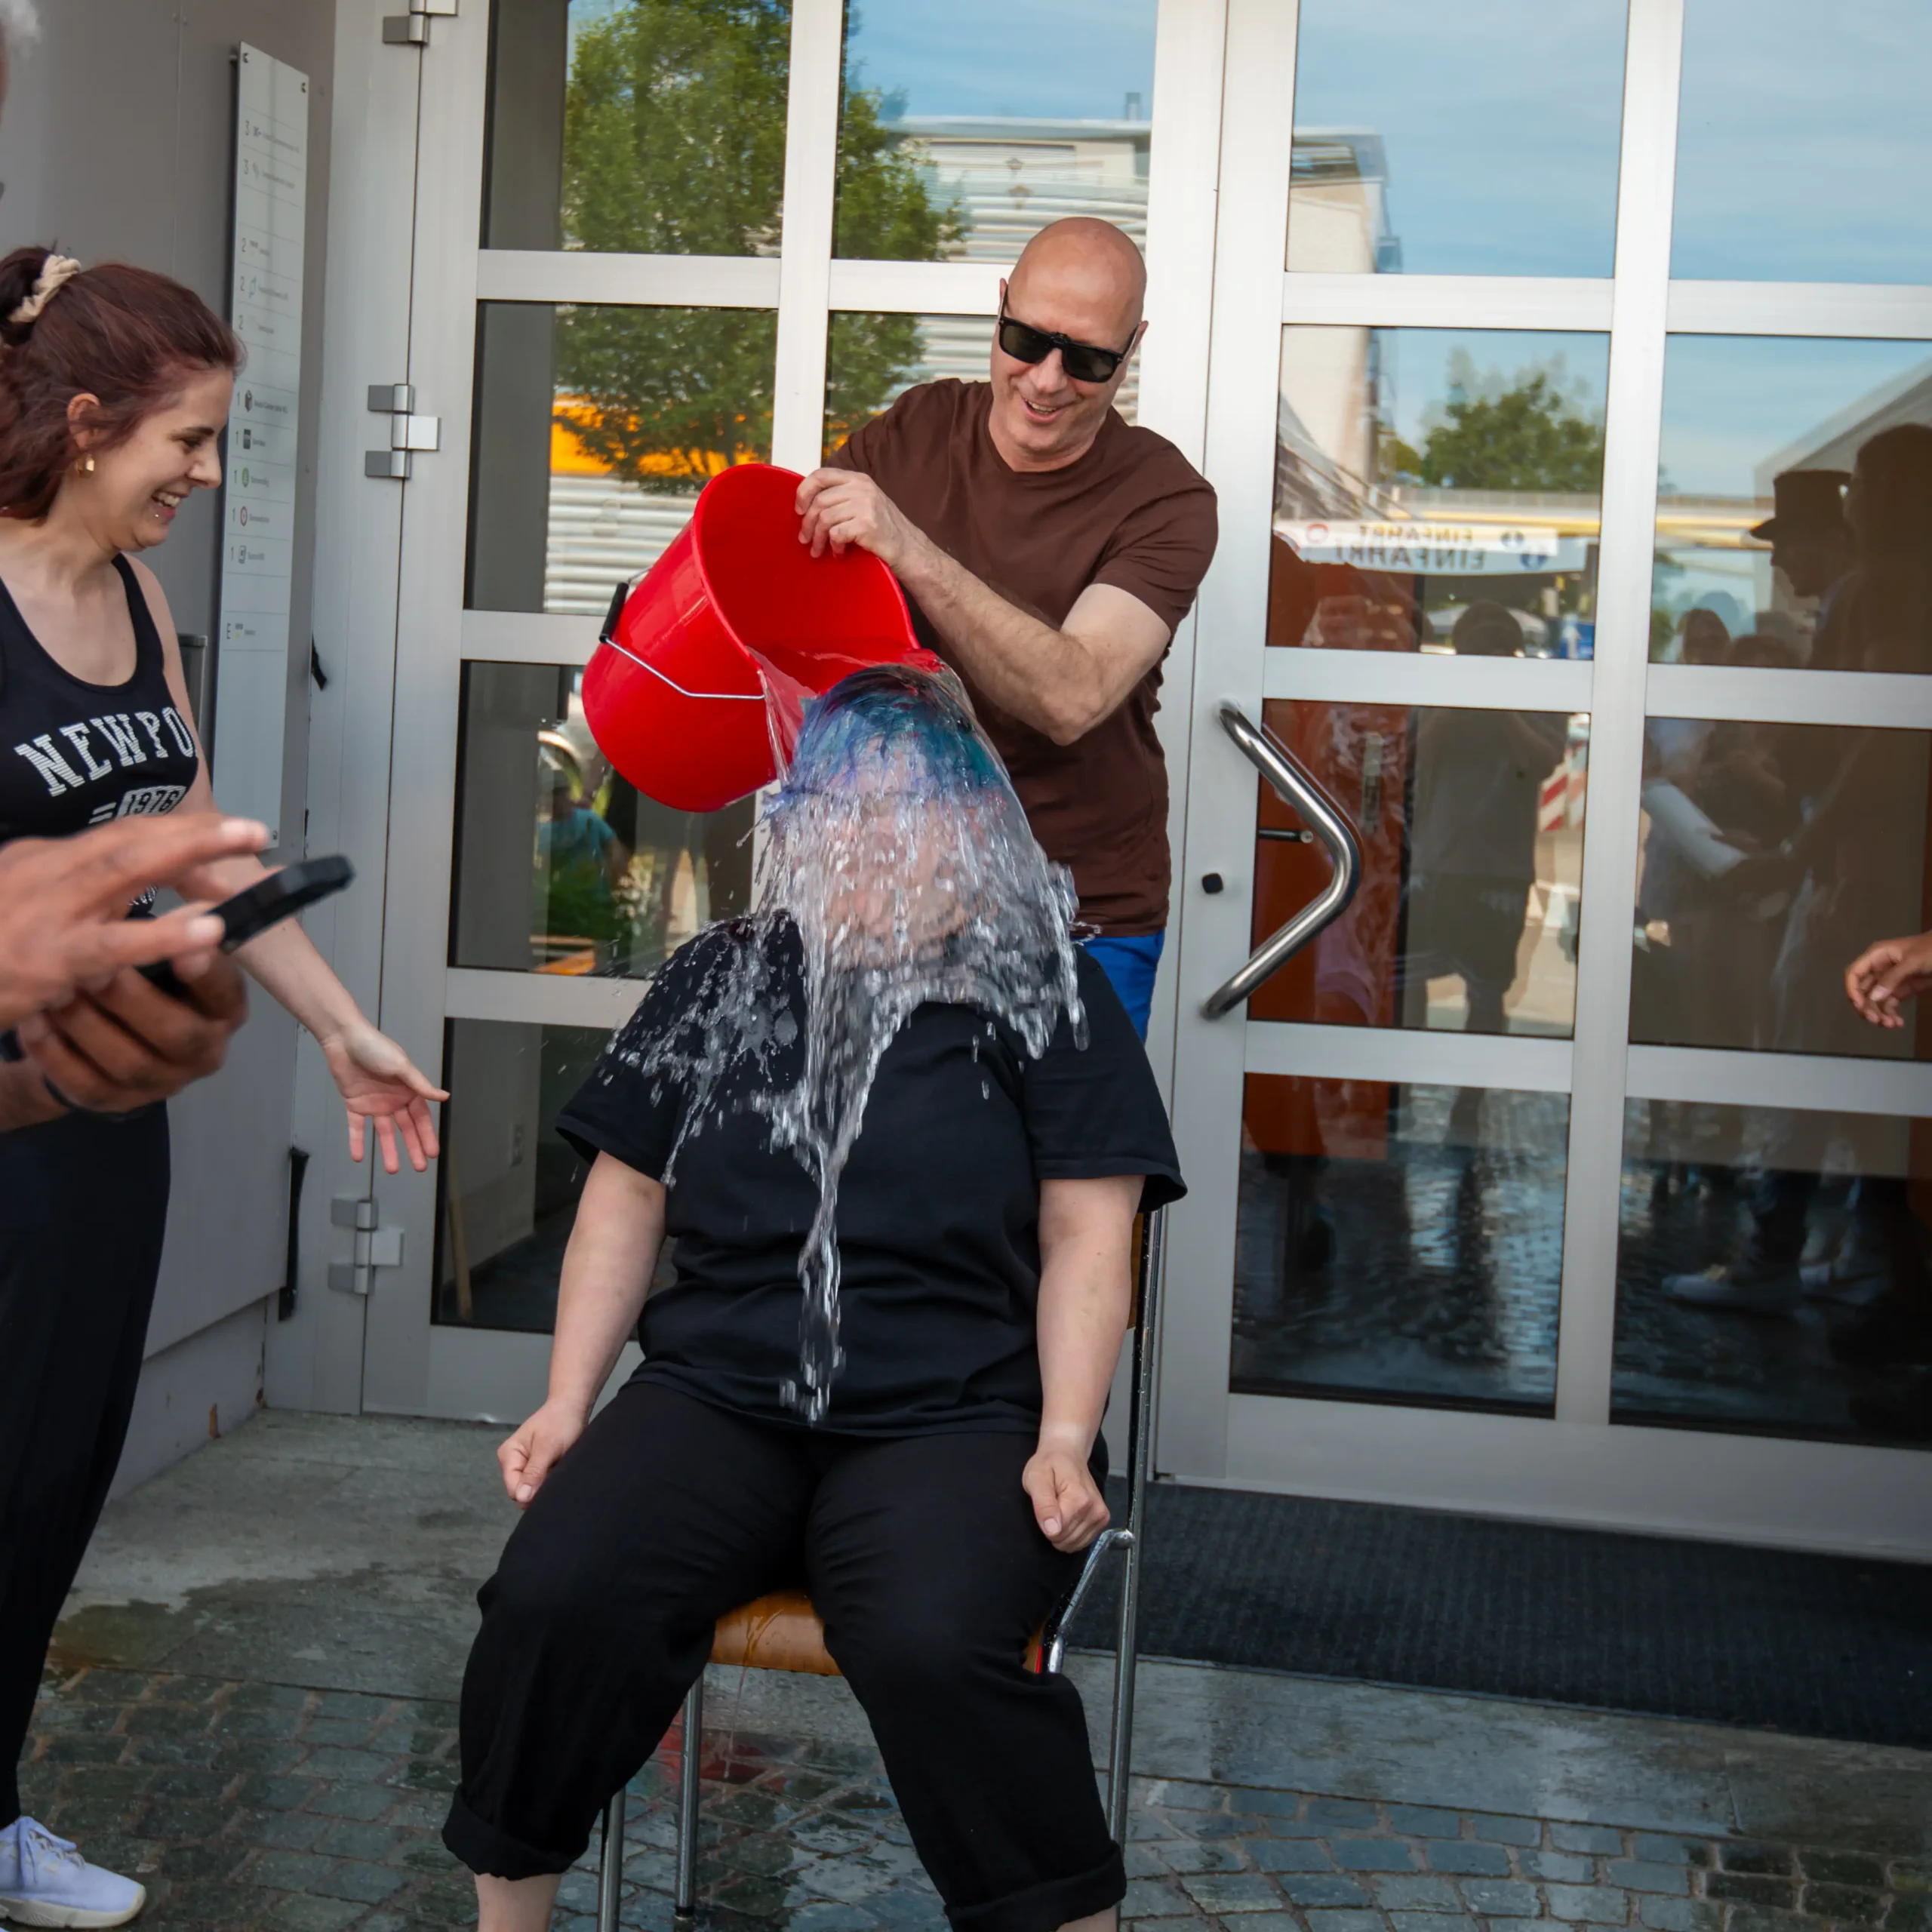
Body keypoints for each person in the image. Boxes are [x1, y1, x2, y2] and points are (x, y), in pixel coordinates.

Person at [442, 667, 1183, 1932]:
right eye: (842, 811)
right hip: (721, 1394)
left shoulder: (1044, 988)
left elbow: (1088, 1234)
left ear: (975, 825)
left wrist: (1064, 1435)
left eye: (909, 814)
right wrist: (567, 1402)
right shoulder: (719, 973)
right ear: (796, 824)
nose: (872, 842)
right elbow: (625, 1200)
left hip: (956, 1412)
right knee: (556, 1596)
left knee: (931, 1643)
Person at [0, 245, 446, 1929]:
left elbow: (199, 861)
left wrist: (341, 1024)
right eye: (187, 443)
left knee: (50, 1474)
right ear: (87, 418)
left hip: (106, 1128)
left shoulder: (134, 609)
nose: (202, 475)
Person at [796, 217, 1218, 1037]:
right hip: (894, 893)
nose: (1048, 379)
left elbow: (1074, 693)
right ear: (998, 309)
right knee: (888, 1161)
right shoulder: (916, 429)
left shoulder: (1165, 500)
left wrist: (911, 550)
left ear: (1132, 350)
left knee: (1075, 1167)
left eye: (1090, 358)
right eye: (1026, 338)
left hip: (1081, 907)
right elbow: (801, 609)